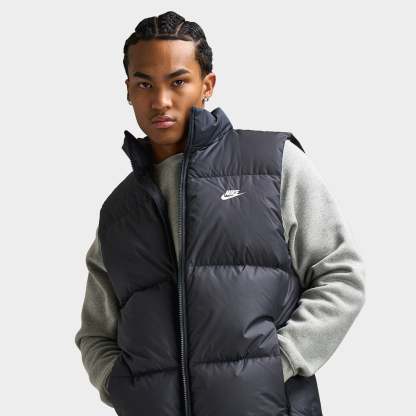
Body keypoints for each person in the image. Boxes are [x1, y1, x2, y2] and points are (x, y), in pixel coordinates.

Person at [74, 10, 366, 416]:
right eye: (144, 84)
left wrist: (279, 360)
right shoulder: (119, 211)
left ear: (207, 85)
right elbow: (96, 333)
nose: (160, 101)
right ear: (128, 90)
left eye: (178, 82)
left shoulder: (272, 164)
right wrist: (122, 387)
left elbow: (342, 274)